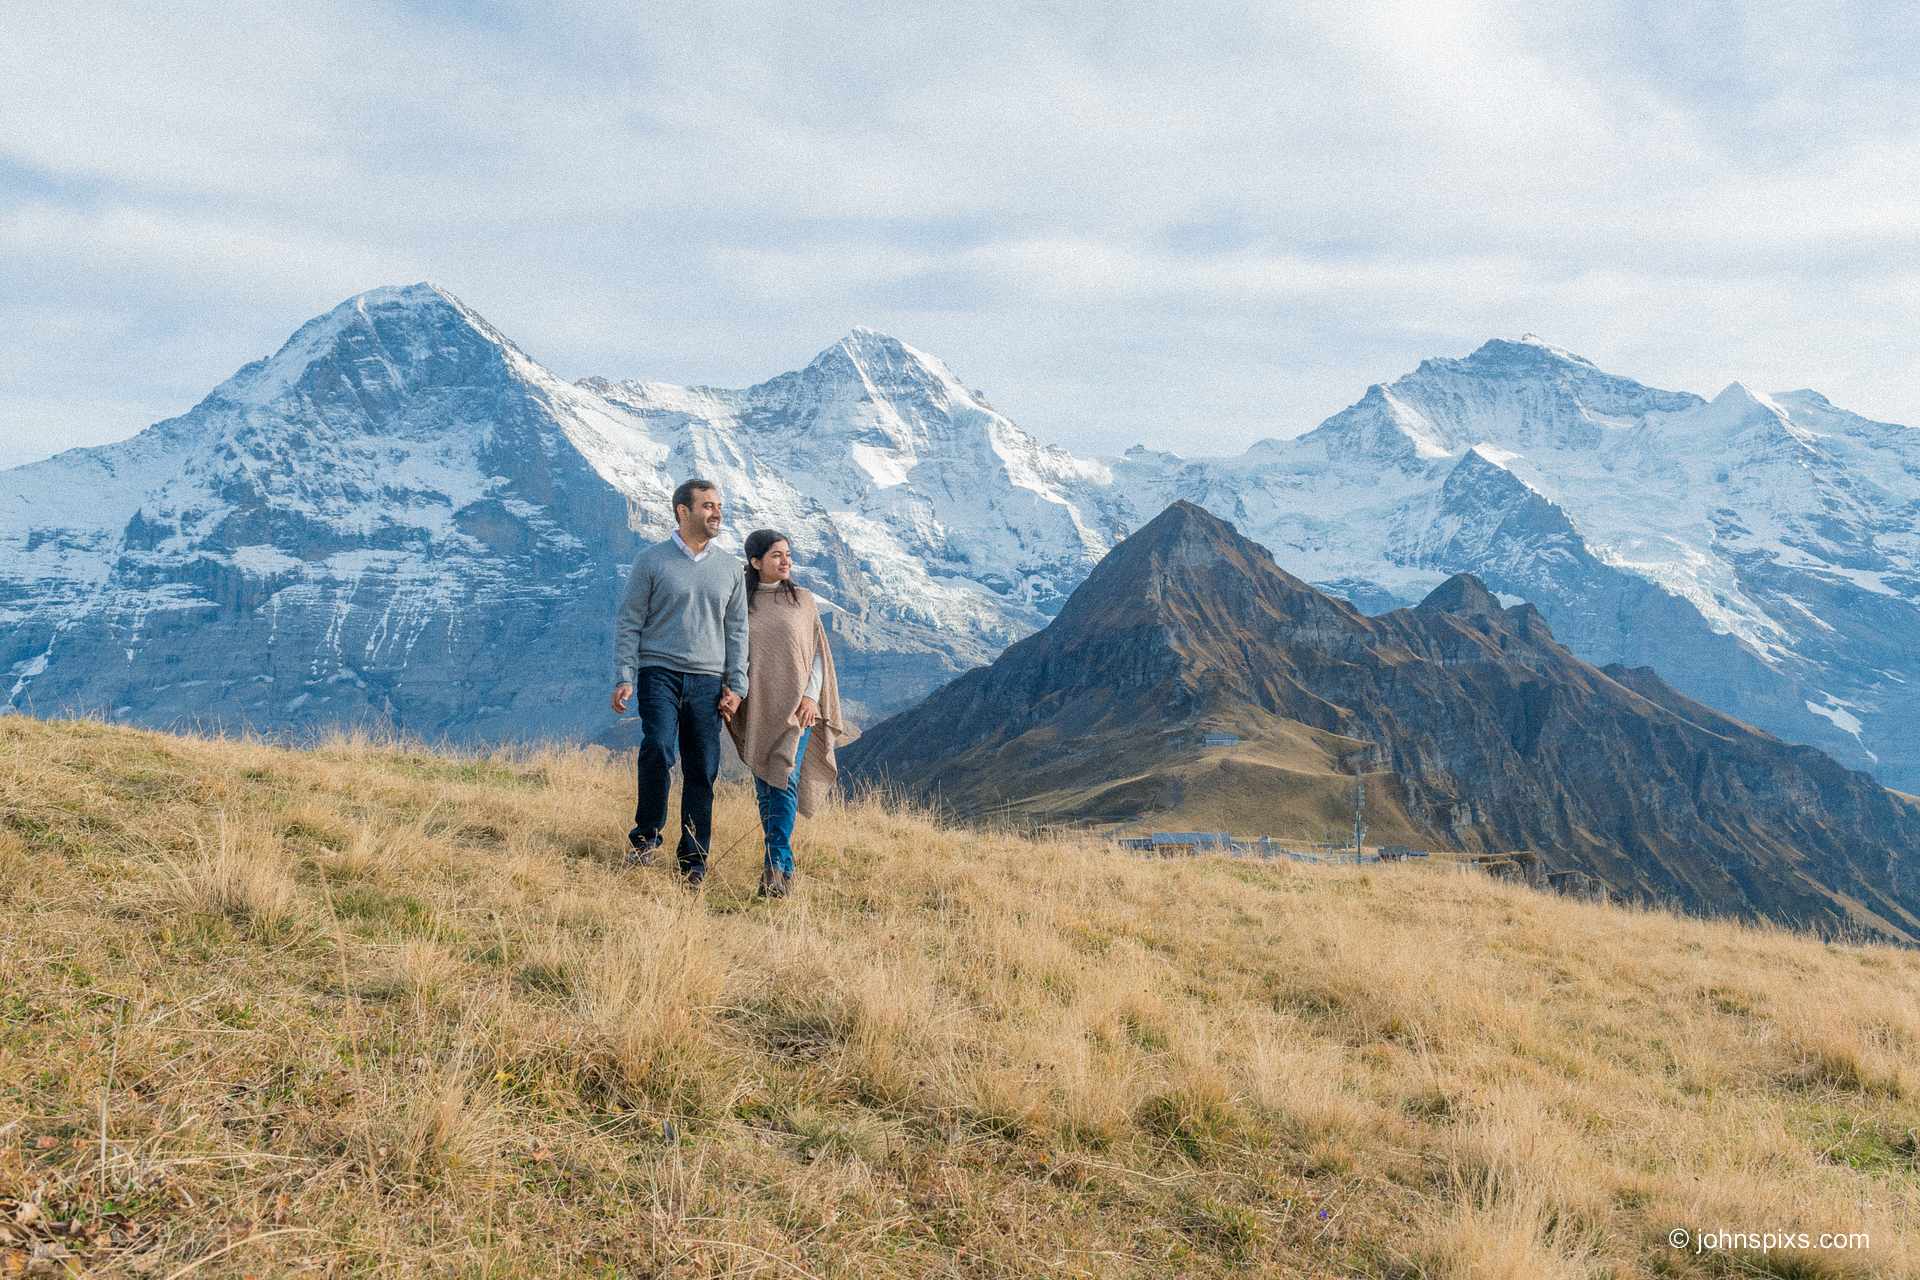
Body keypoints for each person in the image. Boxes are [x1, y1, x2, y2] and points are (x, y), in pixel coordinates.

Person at [612, 479, 748, 887]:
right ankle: (646, 837)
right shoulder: (651, 561)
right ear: (682, 512)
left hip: (708, 679)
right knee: (657, 747)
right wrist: (624, 675)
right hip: (659, 672)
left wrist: (736, 684)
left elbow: (738, 630)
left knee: (703, 767)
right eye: (707, 505)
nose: (716, 512)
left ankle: (693, 861)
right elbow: (629, 621)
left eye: (719, 505)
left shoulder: (731, 569)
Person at [725, 529, 857, 898]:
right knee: (766, 788)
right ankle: (782, 869)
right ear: (755, 562)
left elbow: (817, 654)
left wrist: (812, 698)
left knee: (784, 779)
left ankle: (775, 867)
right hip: (759, 707)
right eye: (776, 556)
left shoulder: (803, 600)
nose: (786, 561)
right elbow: (734, 653)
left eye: (788, 555)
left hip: (798, 708)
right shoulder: (741, 603)